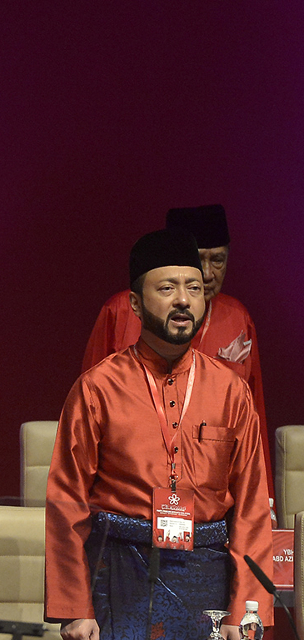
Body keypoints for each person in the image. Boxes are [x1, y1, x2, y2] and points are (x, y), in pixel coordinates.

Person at [45, 229, 273, 640]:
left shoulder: (230, 391)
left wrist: (245, 610)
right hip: (115, 576)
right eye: (166, 288)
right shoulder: (98, 388)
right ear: (134, 303)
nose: (183, 300)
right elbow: (66, 503)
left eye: (193, 287)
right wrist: (73, 606)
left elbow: (252, 509)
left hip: (206, 581)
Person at [81, 205, 271, 494]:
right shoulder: (120, 311)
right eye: (198, 261)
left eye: (217, 260)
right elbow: (88, 403)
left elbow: (253, 415)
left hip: (210, 497)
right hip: (131, 496)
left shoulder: (237, 317)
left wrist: (265, 498)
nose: (207, 274)